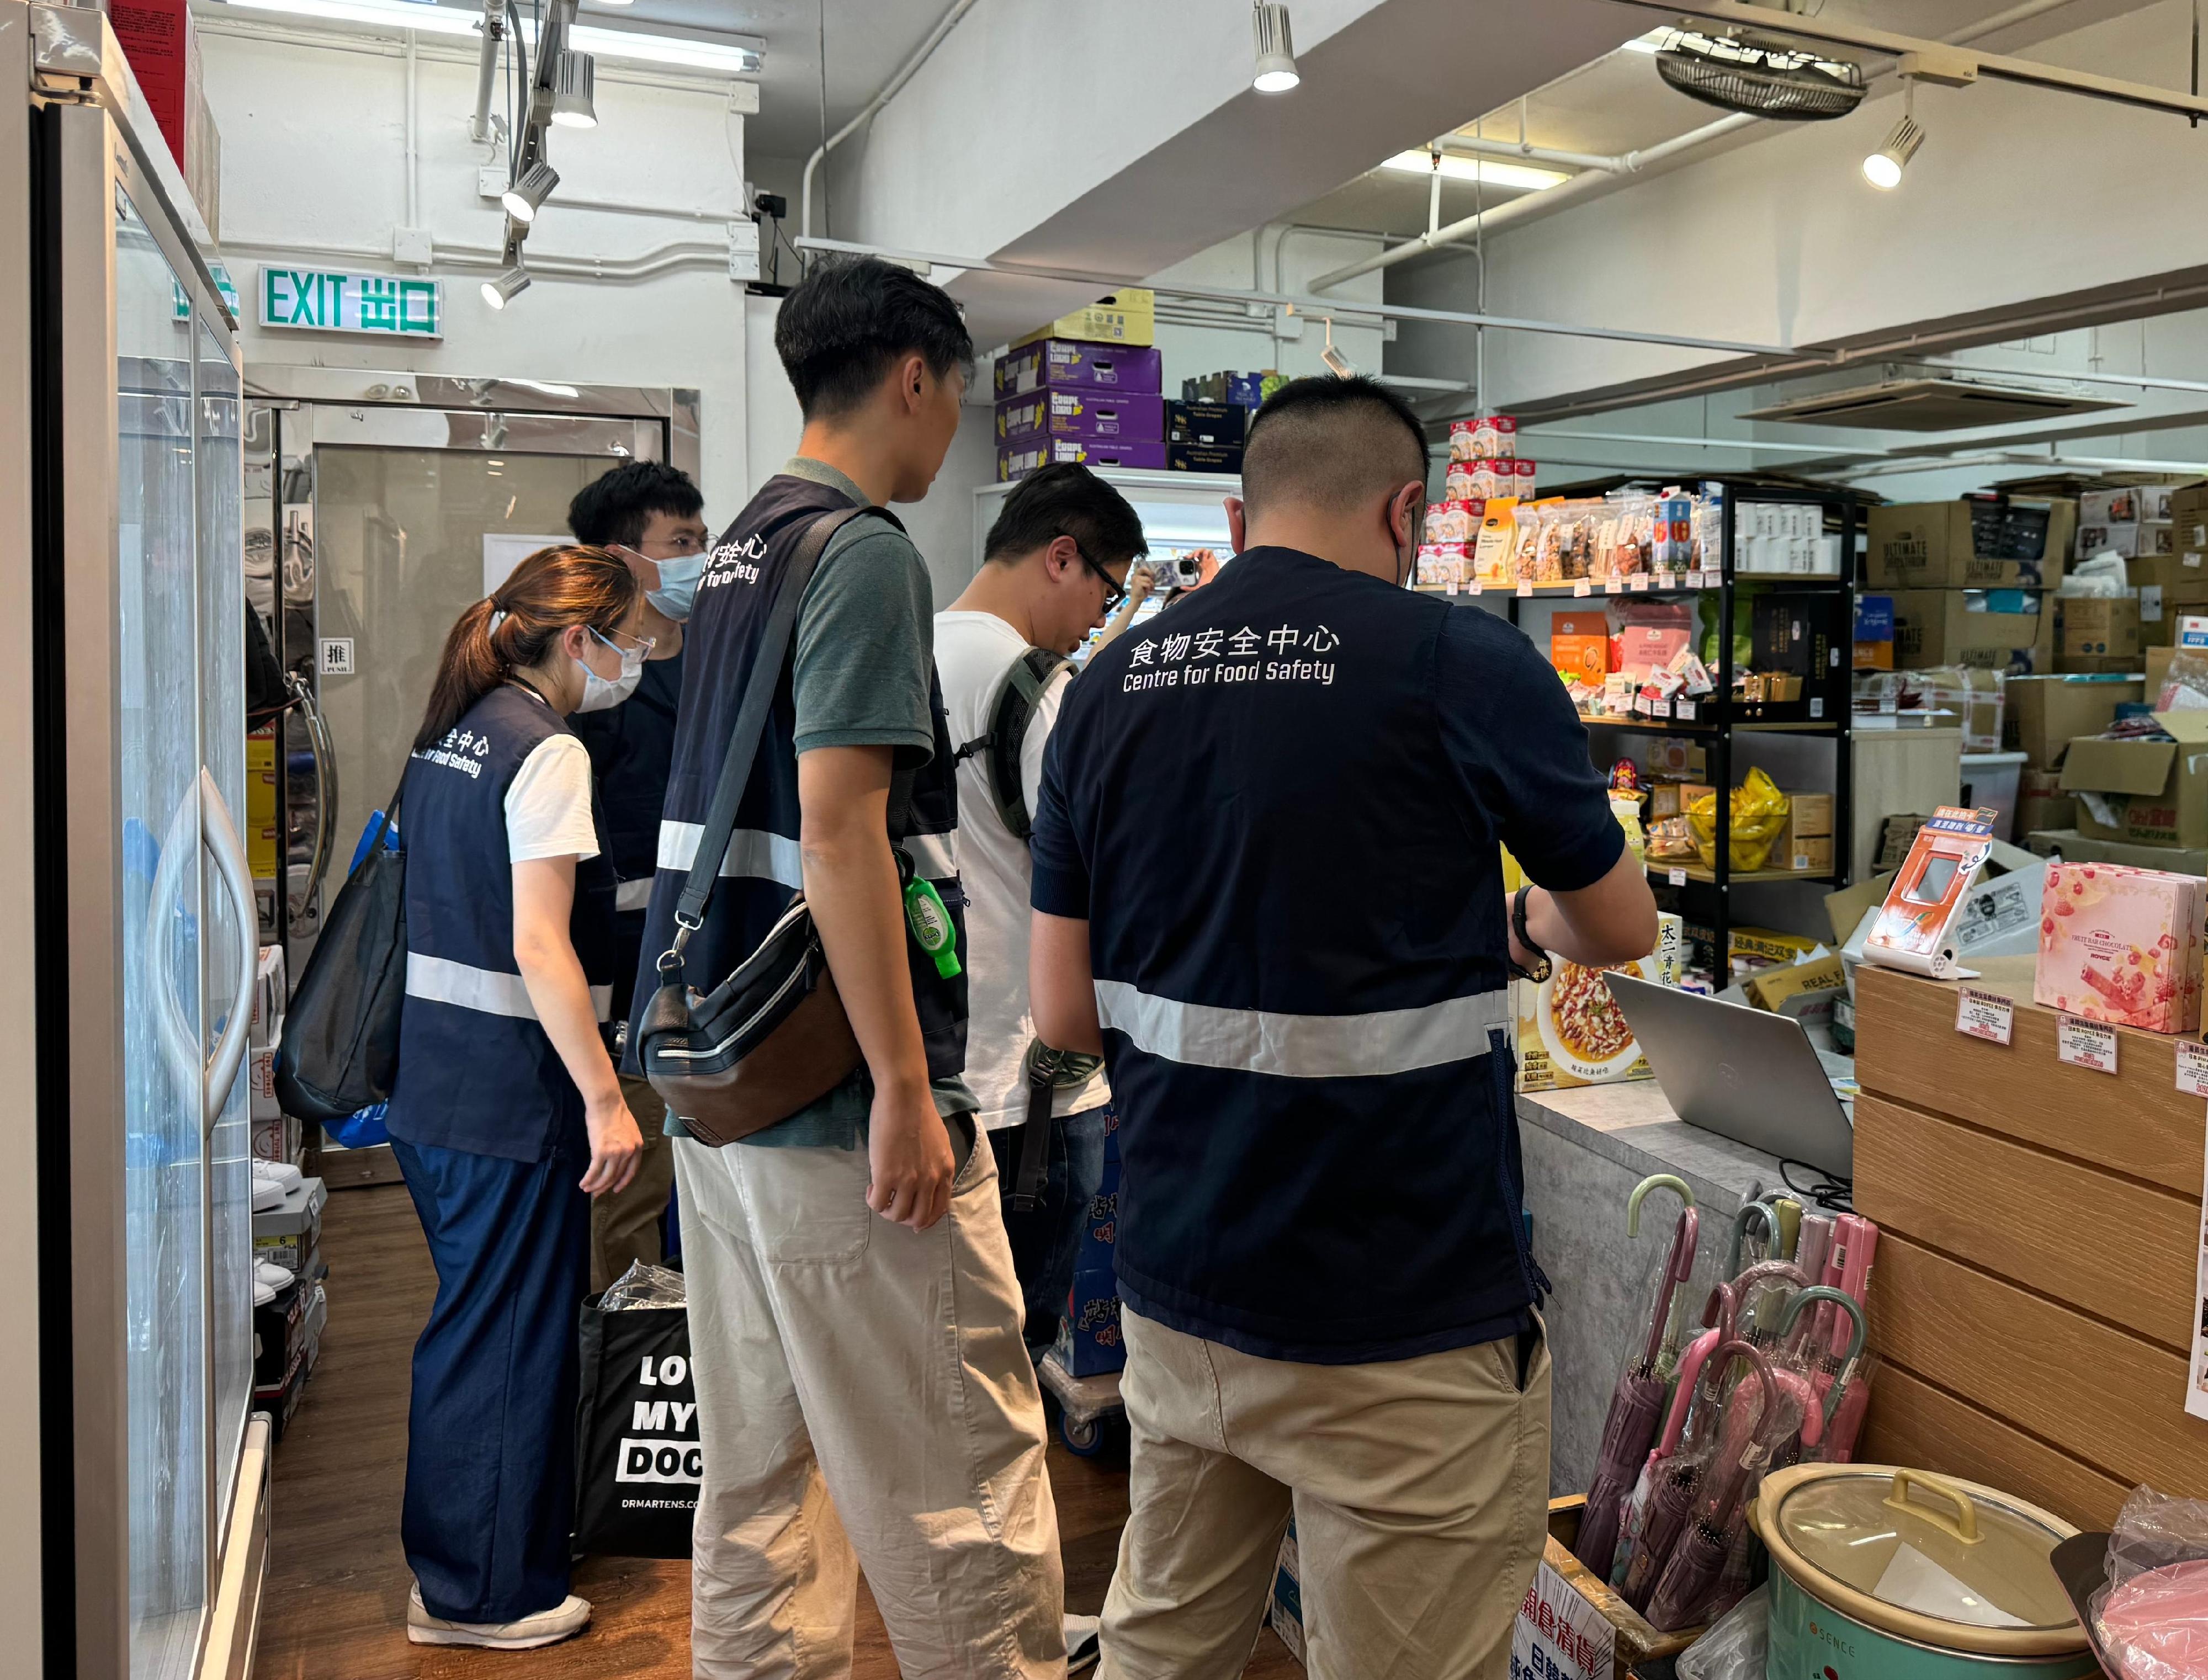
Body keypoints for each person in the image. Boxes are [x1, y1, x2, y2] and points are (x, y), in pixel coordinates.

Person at [1028, 376, 1660, 1680]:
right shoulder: (1459, 661)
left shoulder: (1104, 686)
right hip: (1398, 1310)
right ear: (1411, 511)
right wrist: (1526, 922)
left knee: (1164, 1643)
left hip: (1180, 1286)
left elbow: (1061, 1014)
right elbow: (1618, 927)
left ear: (1235, 510)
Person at [629, 256, 1063, 1678]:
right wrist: (900, 1084)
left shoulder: (748, 540)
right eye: (953, 399)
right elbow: (839, 828)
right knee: (960, 1487)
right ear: (915, 376)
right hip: (832, 1097)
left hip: (725, 1081)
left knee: (758, 1479)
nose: (951, 443)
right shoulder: (865, 549)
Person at [385, 543, 651, 1650]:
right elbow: (541, 943)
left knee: (473, 1326)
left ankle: (464, 1564)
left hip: (435, 1087)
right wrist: (604, 1095)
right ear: (578, 639)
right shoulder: (546, 751)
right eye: (628, 638)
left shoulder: (457, 727)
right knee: (504, 1339)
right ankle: (484, 1595)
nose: (635, 659)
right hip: (505, 1099)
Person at [936, 463, 1148, 1364]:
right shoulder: (1036, 689)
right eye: (1106, 591)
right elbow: (1110, 874)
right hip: (1031, 1092)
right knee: (1010, 1361)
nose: (1100, 618)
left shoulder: (906, 645)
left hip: (921, 1073)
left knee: (931, 1358)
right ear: (1063, 558)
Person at [565, 460, 710, 1290]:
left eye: (703, 538)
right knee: (633, 1189)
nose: (700, 557)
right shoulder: (593, 680)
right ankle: (627, 1366)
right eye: (681, 543)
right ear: (622, 558)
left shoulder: (724, 651)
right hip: (624, 981)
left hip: (724, 969)